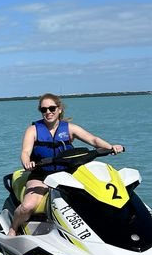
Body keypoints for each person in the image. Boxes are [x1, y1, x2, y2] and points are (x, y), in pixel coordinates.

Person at [7, 93, 124, 237]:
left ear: (59, 109)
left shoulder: (69, 128)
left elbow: (93, 140)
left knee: (95, 194)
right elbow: (25, 151)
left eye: (52, 108)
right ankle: (13, 228)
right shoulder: (33, 130)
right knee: (28, 206)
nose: (48, 112)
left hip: (68, 173)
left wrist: (111, 147)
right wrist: (27, 162)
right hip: (42, 174)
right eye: (44, 110)